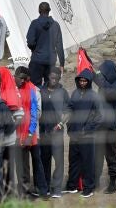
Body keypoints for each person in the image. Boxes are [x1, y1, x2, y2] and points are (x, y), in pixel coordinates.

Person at [61, 69, 102, 198]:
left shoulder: (94, 96)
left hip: (87, 136)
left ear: (89, 82)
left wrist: (87, 129)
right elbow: (70, 107)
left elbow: (99, 116)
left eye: (85, 81)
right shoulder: (75, 93)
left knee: (87, 162)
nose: (83, 82)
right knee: (73, 161)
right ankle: (72, 186)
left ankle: (88, 188)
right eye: (81, 80)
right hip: (74, 134)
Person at [14, 66, 49, 199]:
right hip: (18, 134)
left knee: (37, 162)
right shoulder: (12, 89)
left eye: (25, 79)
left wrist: (29, 132)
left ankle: (42, 190)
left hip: (33, 133)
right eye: (20, 78)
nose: (22, 81)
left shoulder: (34, 90)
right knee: (22, 165)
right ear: (15, 75)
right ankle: (25, 192)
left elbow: (37, 113)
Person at [93, 60, 116, 193]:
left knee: (111, 154)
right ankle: (95, 180)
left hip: (110, 126)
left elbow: (110, 94)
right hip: (98, 124)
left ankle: (112, 182)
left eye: (104, 72)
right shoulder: (103, 83)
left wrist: (100, 79)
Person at [39, 67, 69, 198]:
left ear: (60, 78)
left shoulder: (63, 92)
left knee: (59, 161)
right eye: (52, 77)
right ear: (48, 77)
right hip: (43, 132)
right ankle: (45, 187)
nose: (54, 80)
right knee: (44, 160)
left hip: (57, 132)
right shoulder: (40, 91)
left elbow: (68, 112)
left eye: (56, 78)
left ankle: (56, 189)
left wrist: (61, 124)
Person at [26, 2, 65, 87]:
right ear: (49, 10)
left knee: (34, 86)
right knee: (49, 85)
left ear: (39, 10)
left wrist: (34, 49)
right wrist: (62, 64)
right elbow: (59, 46)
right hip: (50, 61)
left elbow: (30, 42)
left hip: (37, 59)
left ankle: (38, 100)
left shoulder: (35, 24)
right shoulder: (55, 25)